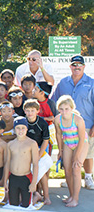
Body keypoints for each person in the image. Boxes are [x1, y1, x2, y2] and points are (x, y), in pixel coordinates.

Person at [51, 55, 94, 190]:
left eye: (79, 65)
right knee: (68, 154)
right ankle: (70, 179)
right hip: (67, 127)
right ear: (70, 66)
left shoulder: (91, 83)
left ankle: (88, 177)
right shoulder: (63, 82)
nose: (76, 67)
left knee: (87, 153)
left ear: (84, 67)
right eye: (74, 65)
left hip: (86, 124)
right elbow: (54, 101)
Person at [54, 95, 88, 207]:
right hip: (68, 143)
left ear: (72, 108)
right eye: (61, 109)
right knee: (67, 171)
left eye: (67, 109)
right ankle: (71, 195)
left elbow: (82, 138)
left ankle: (76, 199)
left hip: (80, 143)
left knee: (76, 168)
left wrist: (77, 156)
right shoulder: (57, 119)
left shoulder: (78, 120)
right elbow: (58, 135)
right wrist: (60, 150)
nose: (64, 112)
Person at [6, 116, 39, 207]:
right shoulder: (10, 144)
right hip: (13, 178)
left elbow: (36, 164)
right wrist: (5, 180)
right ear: (14, 129)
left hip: (26, 178)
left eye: (23, 128)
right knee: (13, 205)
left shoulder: (32, 143)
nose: (20, 130)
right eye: (18, 128)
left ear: (27, 129)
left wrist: (33, 183)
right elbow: (7, 163)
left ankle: (36, 196)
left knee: (26, 206)